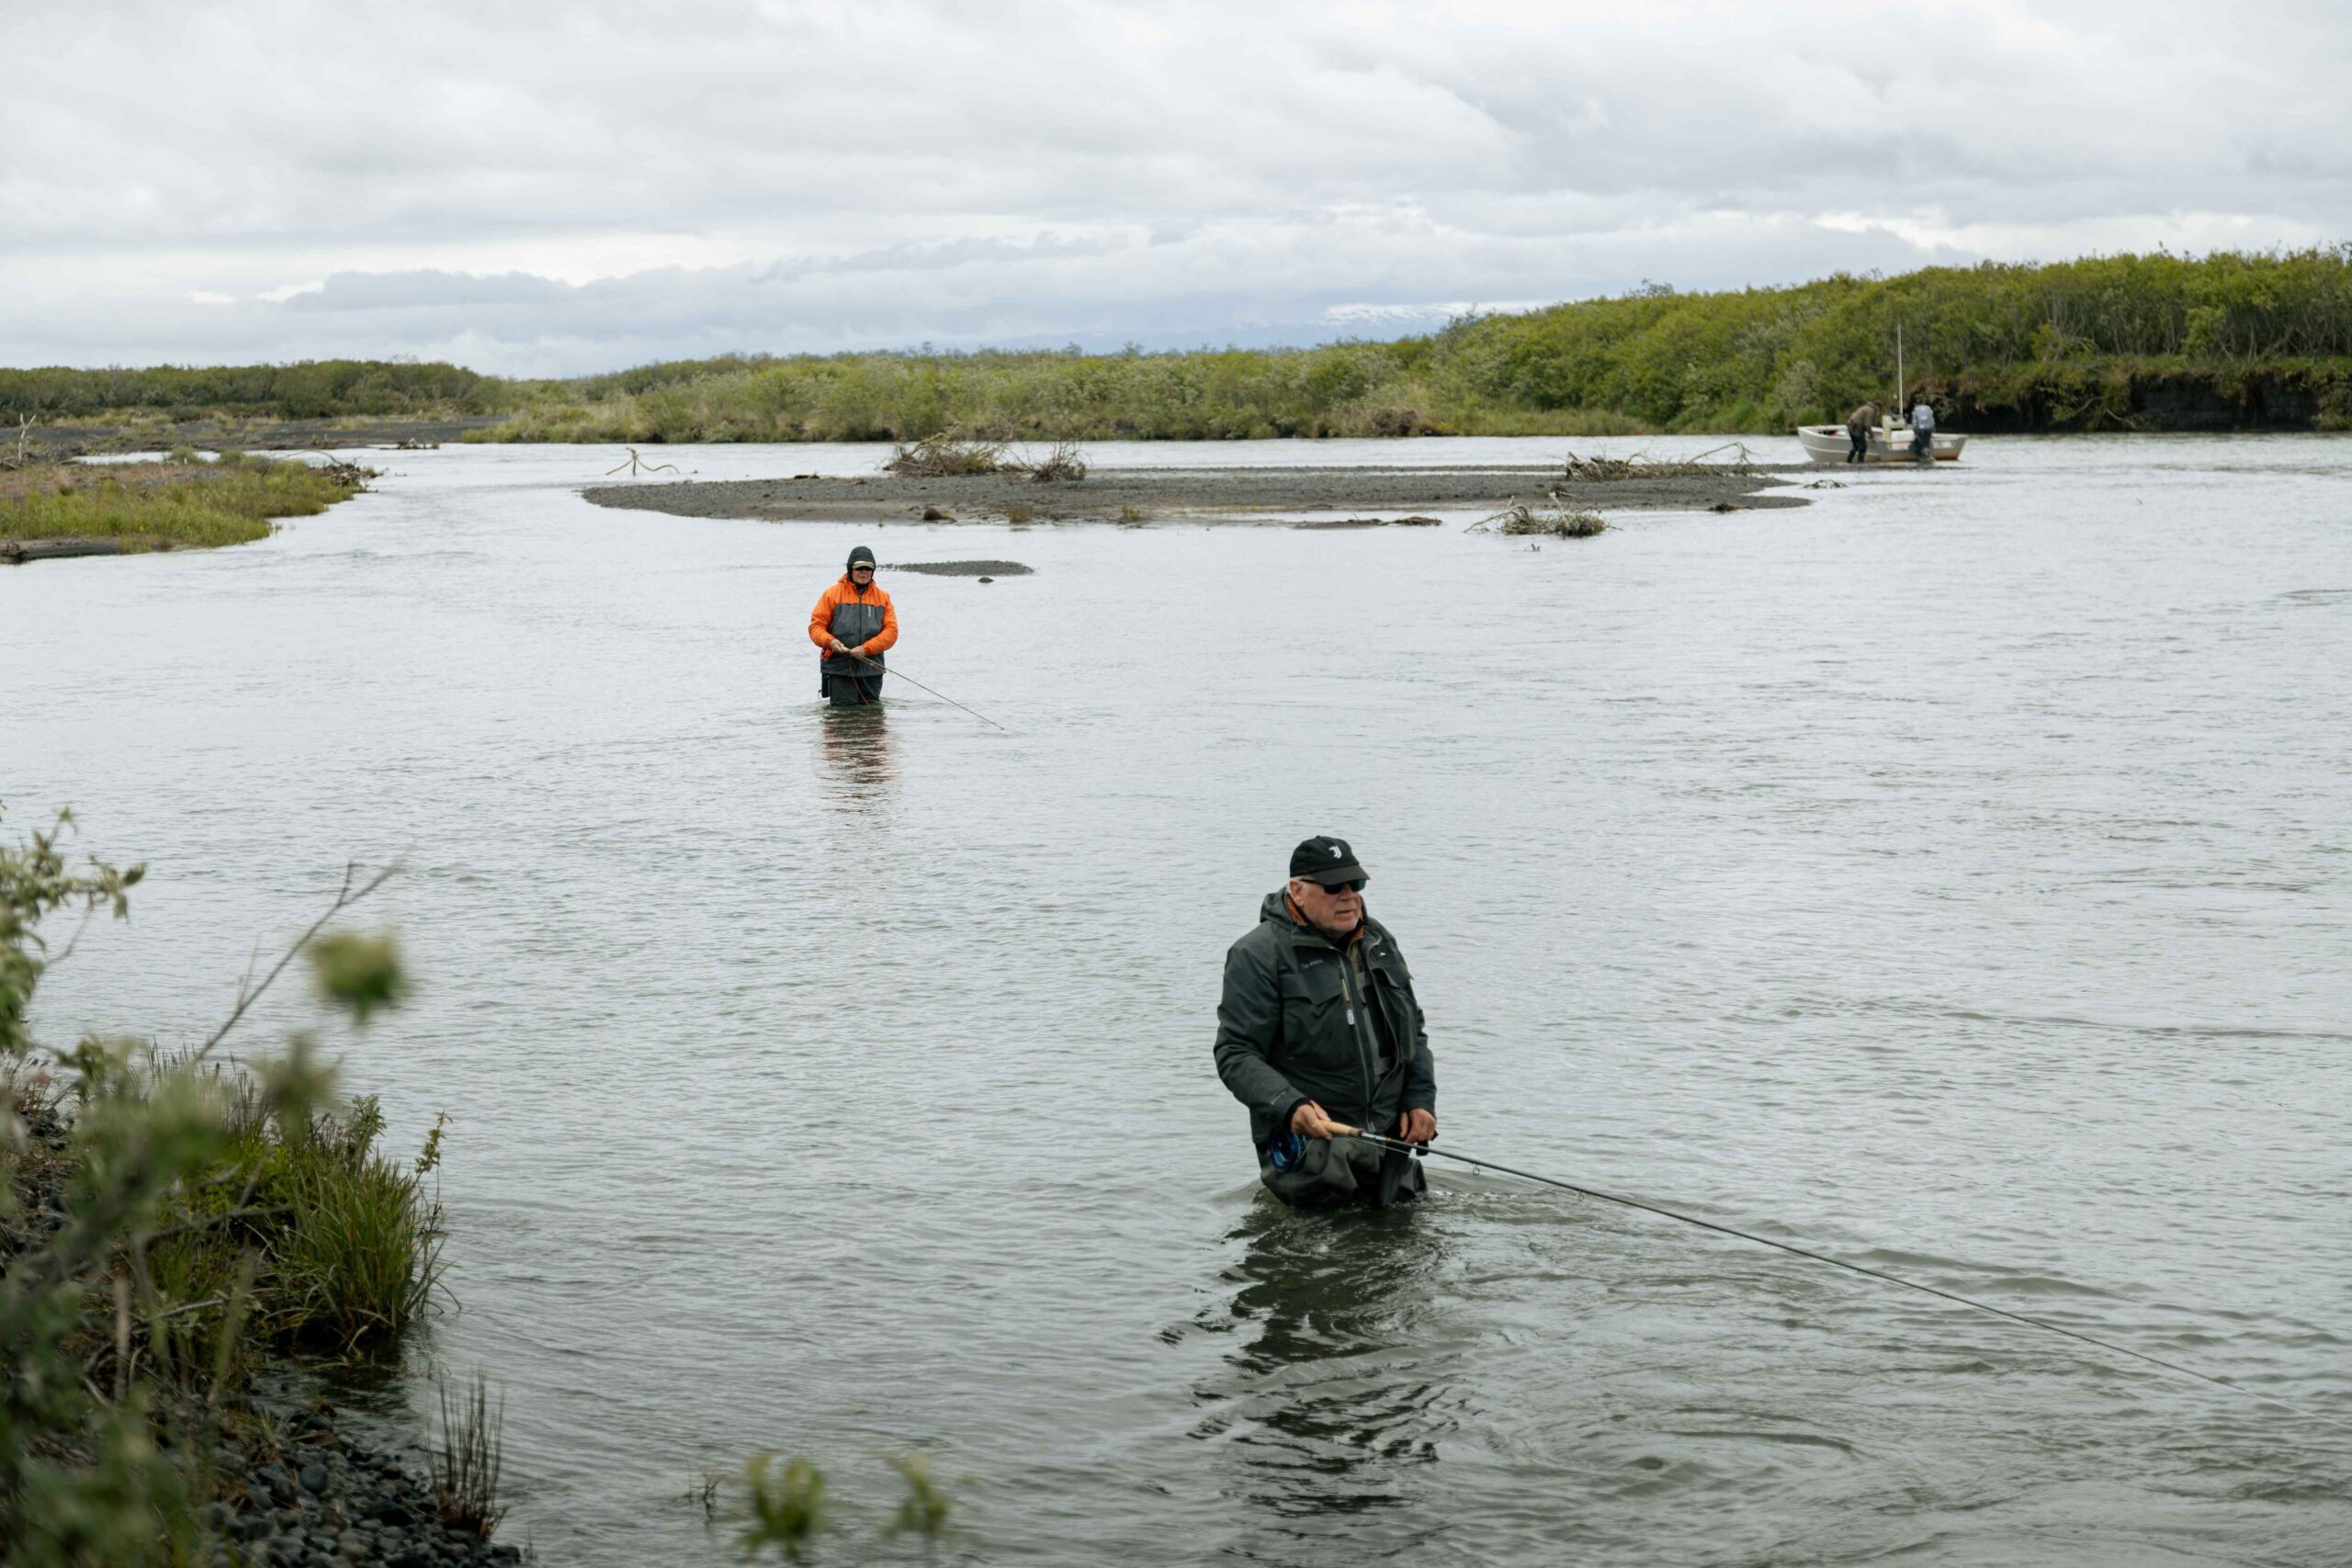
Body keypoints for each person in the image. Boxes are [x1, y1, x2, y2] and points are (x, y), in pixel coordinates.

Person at [1213, 836, 1438, 1208]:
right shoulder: (1255, 955)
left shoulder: (1379, 940)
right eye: (1334, 887)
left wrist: (1420, 1100)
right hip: (1313, 1149)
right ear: (1297, 891)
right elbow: (1234, 1053)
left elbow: (1414, 1031)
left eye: (1356, 884)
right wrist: (1290, 1105)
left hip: (1390, 1141)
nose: (1349, 895)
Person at [808, 545, 898, 706]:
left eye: (868, 568)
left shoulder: (883, 598)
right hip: (839, 669)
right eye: (859, 568)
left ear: (873, 571)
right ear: (850, 569)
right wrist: (830, 642)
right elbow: (816, 627)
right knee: (843, 721)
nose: (864, 571)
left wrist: (866, 649)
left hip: (872, 668)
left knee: (873, 723)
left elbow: (891, 633)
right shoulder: (831, 594)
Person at [1844, 400, 1881, 464]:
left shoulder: (1865, 408)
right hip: (1856, 427)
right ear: (1877, 406)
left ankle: (1848, 462)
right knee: (1863, 446)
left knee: (1856, 446)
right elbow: (1868, 425)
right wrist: (1872, 436)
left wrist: (1870, 435)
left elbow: (1865, 425)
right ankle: (1861, 464)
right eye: (1879, 408)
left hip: (1851, 426)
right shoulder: (1871, 411)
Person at [1910, 397, 1936, 465]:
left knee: (1922, 441)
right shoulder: (1928, 410)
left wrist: (1915, 431)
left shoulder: (1915, 411)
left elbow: (1914, 424)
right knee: (1926, 442)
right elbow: (1932, 422)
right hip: (1928, 429)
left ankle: (1924, 453)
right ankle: (1926, 453)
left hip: (1920, 430)